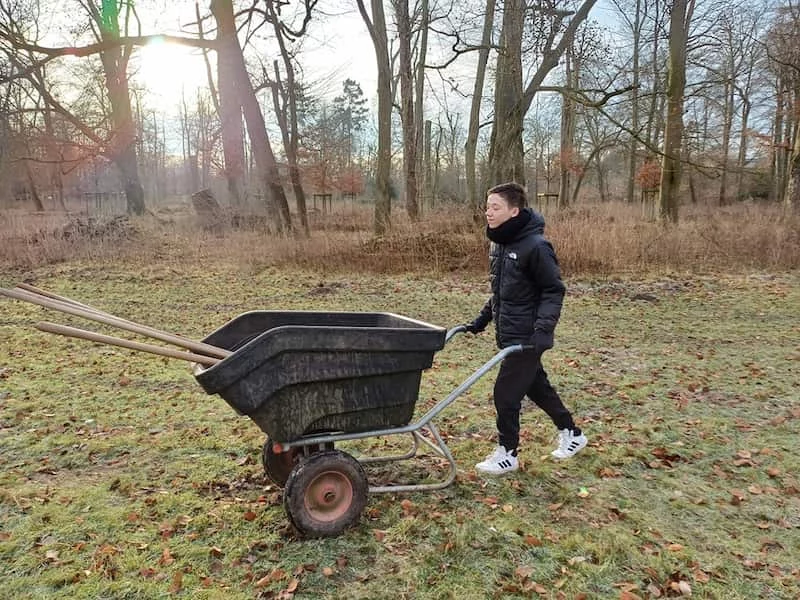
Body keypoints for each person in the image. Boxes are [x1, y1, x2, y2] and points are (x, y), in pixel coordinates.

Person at [463, 182, 587, 475]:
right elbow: (503, 292)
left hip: (528, 336)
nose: (488, 213)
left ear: (514, 211)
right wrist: (482, 319)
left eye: (495, 207)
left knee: (505, 393)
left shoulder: (537, 246)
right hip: (510, 332)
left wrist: (543, 330)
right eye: (487, 206)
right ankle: (573, 434)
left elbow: (553, 290)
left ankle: (508, 453)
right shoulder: (500, 244)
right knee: (537, 387)